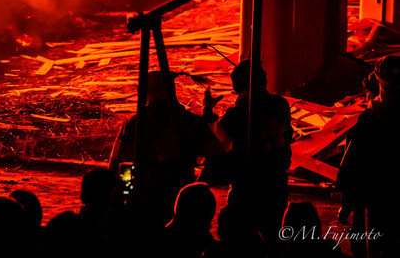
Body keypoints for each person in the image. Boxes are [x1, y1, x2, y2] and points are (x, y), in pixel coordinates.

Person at [108, 70, 223, 230]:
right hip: (181, 202)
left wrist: (123, 195)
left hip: (144, 201)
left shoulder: (135, 123)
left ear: (147, 92)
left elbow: (118, 164)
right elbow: (218, 157)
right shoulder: (191, 122)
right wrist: (197, 186)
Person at [213, 59, 293, 244]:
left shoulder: (236, 114)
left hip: (246, 186)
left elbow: (215, 145)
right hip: (276, 182)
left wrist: (208, 111)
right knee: (274, 238)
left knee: (240, 241)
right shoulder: (280, 104)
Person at [337, 54, 400, 258]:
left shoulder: (370, 118)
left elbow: (352, 163)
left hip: (377, 197)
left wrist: (347, 203)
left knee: (377, 246)